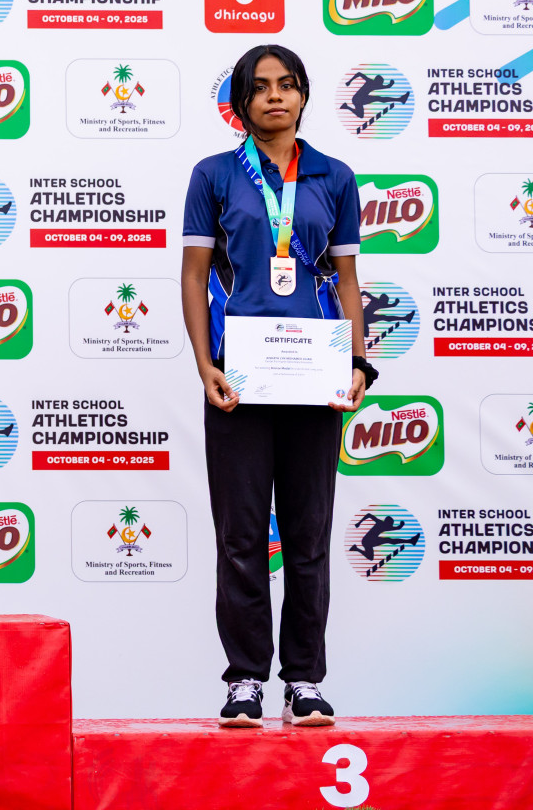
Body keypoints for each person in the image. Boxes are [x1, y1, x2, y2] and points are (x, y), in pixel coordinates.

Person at [180, 44, 377, 728]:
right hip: (238, 381)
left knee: (308, 537)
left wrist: (357, 363)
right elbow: (193, 273)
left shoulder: (336, 177)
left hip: (315, 378)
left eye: (287, 86)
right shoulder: (213, 175)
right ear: (240, 100)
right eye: (260, 87)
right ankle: (244, 681)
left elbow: (347, 282)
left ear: (303, 96)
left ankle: (304, 681)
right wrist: (205, 365)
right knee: (239, 537)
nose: (275, 97)